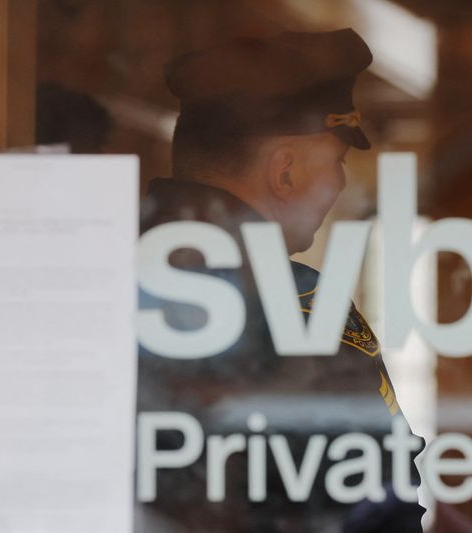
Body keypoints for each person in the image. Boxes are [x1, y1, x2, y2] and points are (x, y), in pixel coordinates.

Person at [137, 29, 425, 532]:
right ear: (285, 171)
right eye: (337, 161)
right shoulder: (306, 308)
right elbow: (382, 506)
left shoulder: (96, 272)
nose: (339, 184)